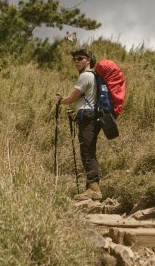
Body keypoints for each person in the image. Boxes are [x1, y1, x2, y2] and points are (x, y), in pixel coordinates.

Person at [54, 48, 103, 200]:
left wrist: (60, 101)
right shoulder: (93, 76)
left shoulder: (85, 76)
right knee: (87, 151)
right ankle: (90, 188)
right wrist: (75, 115)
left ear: (88, 60)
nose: (76, 61)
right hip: (89, 116)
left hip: (88, 118)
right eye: (74, 59)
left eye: (80, 58)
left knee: (88, 152)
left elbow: (73, 97)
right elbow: (87, 100)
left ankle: (94, 189)